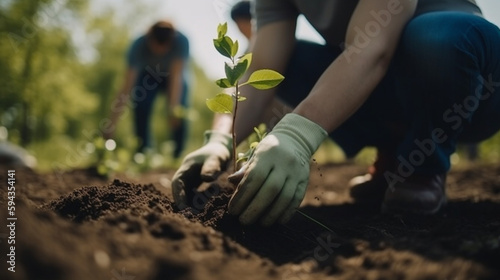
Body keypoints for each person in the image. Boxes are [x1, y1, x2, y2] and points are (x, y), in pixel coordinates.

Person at [172, 0, 500, 226]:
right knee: (291, 61)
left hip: (472, 83)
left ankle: (424, 165)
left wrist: (297, 135)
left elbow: (372, 46)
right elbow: (260, 69)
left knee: (433, 38)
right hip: (389, 82)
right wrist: (219, 138)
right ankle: (396, 157)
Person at [106, 21, 190, 158]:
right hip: (148, 76)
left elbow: (176, 78)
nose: (160, 52)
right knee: (141, 104)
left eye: (164, 48)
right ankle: (142, 152)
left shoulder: (181, 41)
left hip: (173, 76)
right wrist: (111, 123)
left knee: (180, 109)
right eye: (156, 47)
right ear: (149, 39)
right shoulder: (138, 45)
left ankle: (178, 155)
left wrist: (173, 108)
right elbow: (126, 86)